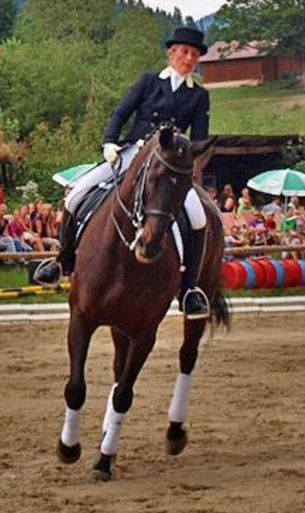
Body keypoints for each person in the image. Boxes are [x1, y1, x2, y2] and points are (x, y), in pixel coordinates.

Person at [35, 27, 213, 316]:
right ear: (171, 54)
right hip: (133, 153)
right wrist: (109, 142)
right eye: (184, 52)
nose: (189, 58)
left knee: (198, 218)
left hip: (169, 166)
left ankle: (189, 289)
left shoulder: (199, 95)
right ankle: (63, 260)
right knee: (76, 194)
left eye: (194, 54)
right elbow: (121, 112)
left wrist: (191, 165)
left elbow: (199, 139)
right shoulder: (149, 81)